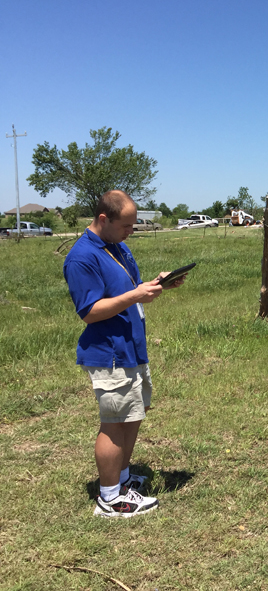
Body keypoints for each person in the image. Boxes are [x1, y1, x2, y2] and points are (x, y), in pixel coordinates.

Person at [64, 190, 186, 518]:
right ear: (103, 219)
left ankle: (121, 480)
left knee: (132, 415)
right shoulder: (82, 257)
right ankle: (109, 500)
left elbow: (129, 293)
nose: (130, 232)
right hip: (109, 351)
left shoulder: (116, 247)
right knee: (114, 422)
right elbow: (90, 310)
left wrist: (156, 286)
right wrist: (135, 295)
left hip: (131, 347)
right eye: (126, 226)